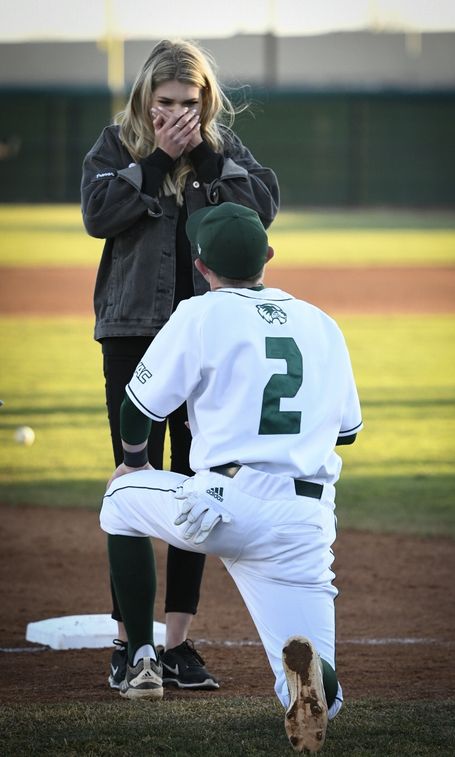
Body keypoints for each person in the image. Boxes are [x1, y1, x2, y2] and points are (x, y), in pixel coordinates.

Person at [100, 202, 363, 753]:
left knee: (122, 497)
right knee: (321, 697)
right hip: (304, 521)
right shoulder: (323, 324)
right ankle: (318, 686)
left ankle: (141, 657)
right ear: (268, 256)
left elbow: (139, 408)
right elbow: (346, 433)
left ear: (200, 267)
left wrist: (135, 460)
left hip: (223, 503)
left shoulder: (200, 313)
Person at [81, 39, 279, 691]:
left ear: (205, 102)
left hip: (209, 339)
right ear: (146, 100)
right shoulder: (117, 146)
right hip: (132, 333)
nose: (175, 114)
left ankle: (176, 644)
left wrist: (205, 158)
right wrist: (155, 159)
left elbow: (263, 209)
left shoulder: (218, 153)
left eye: (188, 104)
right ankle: (127, 643)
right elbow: (97, 213)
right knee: (135, 478)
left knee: (203, 481)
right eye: (163, 103)